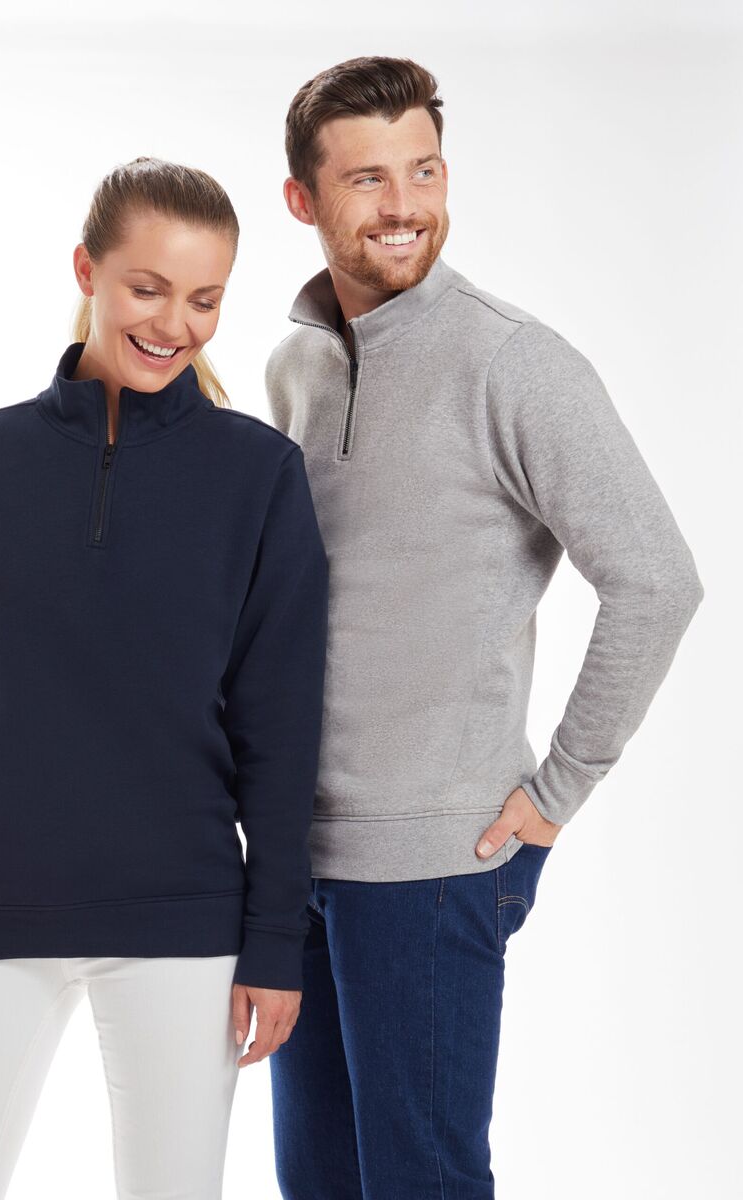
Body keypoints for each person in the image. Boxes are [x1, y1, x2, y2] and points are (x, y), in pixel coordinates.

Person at [264, 56, 704, 1199]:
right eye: (367, 178)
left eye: (424, 170)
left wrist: (558, 791)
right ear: (303, 199)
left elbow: (657, 580)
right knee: (316, 1183)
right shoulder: (296, 364)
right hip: (294, 859)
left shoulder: (514, 362)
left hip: (431, 865)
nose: (404, 203)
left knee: (422, 1180)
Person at [0, 156, 329, 1200]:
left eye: (204, 298)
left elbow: (280, 728)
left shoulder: (258, 478)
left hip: (184, 920)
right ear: (88, 270)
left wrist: (273, 940)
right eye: (147, 288)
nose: (175, 323)